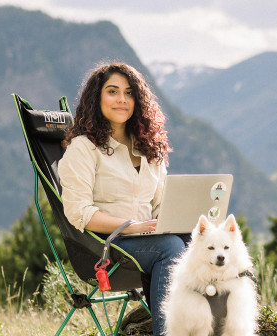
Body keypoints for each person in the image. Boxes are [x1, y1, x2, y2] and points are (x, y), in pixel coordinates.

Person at [57, 62, 188, 336]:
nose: (122, 100)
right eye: (113, 91)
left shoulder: (149, 148)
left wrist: (183, 221)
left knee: (207, 244)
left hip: (150, 237)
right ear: (97, 98)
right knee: (171, 247)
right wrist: (130, 226)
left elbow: (162, 204)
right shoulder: (83, 147)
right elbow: (79, 212)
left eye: (129, 93)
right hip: (108, 244)